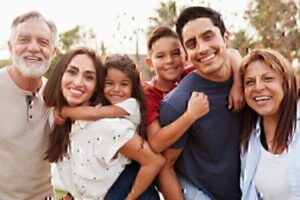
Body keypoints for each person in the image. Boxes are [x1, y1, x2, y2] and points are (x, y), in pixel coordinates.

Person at [43, 50, 165, 199]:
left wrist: (64, 110)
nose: (78, 82)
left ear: (96, 86)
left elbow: (155, 161)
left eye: (89, 77)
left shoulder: (109, 126)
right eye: (72, 72)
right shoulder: (62, 122)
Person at [158, 6, 243, 200]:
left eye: (208, 36)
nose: (202, 48)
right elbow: (165, 166)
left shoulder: (251, 82)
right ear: (187, 54)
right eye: (192, 44)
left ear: (226, 38)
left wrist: (238, 82)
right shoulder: (178, 104)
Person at [144, 26, 243, 153]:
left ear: (186, 57)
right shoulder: (148, 93)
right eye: (160, 56)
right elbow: (156, 144)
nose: (169, 61)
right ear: (150, 64)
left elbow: (231, 53)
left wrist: (238, 85)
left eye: (175, 53)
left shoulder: (189, 76)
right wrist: (191, 115)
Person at [0, 11, 57, 199]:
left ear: (53, 51)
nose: (33, 48)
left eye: (43, 42)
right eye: (24, 40)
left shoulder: (57, 96)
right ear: (10, 47)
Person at [240, 49, 300, 199]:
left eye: (268, 78)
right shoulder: (248, 143)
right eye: (250, 82)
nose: (258, 87)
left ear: (286, 83)